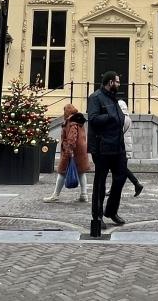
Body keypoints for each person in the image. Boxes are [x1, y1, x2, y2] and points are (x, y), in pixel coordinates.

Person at [86, 70, 128, 236]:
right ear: (110, 82)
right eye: (117, 82)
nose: (119, 84)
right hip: (102, 147)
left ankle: (110, 211)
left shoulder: (113, 98)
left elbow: (119, 119)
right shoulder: (95, 98)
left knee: (121, 177)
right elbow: (93, 119)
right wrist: (109, 117)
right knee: (100, 183)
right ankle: (97, 216)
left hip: (118, 147)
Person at [43, 104, 90, 203]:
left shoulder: (71, 122)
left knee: (62, 171)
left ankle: (55, 195)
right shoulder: (79, 120)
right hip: (81, 150)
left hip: (71, 150)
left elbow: (72, 137)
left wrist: (69, 150)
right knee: (81, 172)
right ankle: (84, 195)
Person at [115, 99, 144, 197]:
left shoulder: (122, 119)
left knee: (120, 168)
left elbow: (118, 133)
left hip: (121, 147)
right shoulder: (128, 118)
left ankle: (136, 184)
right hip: (126, 146)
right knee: (119, 168)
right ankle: (135, 184)